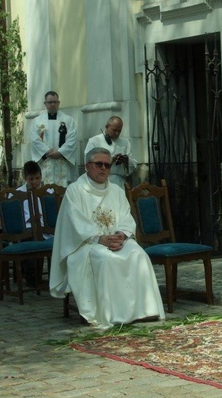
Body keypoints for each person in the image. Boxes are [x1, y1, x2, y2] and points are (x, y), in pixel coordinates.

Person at [49, 147, 165, 329]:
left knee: (138, 255)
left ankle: (144, 310)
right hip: (86, 245)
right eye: (99, 164)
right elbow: (75, 224)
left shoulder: (117, 191)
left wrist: (122, 235)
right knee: (106, 259)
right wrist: (99, 239)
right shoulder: (75, 191)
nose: (103, 168)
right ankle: (112, 314)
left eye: (107, 165)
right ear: (87, 166)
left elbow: (126, 217)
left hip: (116, 241)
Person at [29, 91, 78, 187]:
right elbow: (35, 139)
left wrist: (61, 152)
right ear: (45, 104)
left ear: (59, 103)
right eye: (50, 102)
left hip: (62, 160)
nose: (53, 105)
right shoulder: (37, 121)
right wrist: (47, 151)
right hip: (45, 161)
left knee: (63, 190)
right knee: (44, 190)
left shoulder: (68, 120)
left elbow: (72, 139)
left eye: (55, 102)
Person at [84, 116, 138, 188]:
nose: (117, 133)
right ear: (106, 127)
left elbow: (133, 165)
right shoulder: (94, 141)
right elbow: (88, 162)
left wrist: (126, 161)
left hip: (118, 182)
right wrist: (110, 161)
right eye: (114, 130)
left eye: (119, 131)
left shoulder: (125, 143)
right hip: (99, 181)